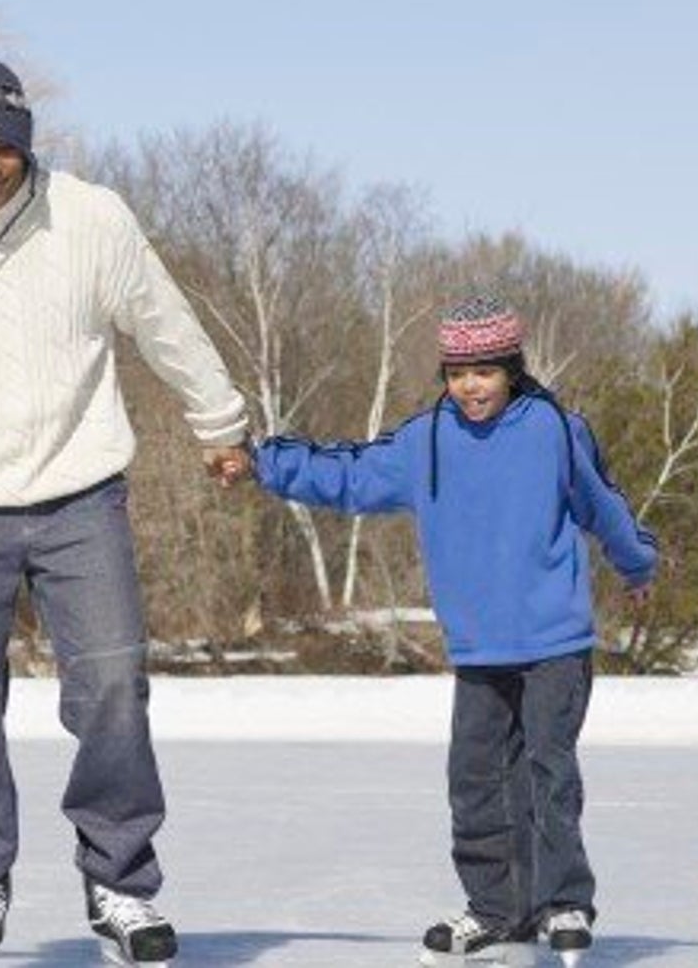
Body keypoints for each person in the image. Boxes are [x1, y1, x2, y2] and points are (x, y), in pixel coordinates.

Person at [0, 54, 250, 966]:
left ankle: (120, 881)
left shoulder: (93, 218)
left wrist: (219, 421)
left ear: (28, 142)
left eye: (3, 146)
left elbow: (165, 321)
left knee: (111, 685)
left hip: (82, 492)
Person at [248, 295, 657, 968]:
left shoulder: (553, 427)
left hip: (555, 639)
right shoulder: (424, 439)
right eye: (458, 372)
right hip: (478, 646)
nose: (471, 386)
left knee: (548, 771)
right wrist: (264, 462)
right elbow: (347, 474)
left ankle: (563, 902)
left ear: (512, 369)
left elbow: (601, 502)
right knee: (473, 778)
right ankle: (495, 909)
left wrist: (636, 561)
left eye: (486, 371)